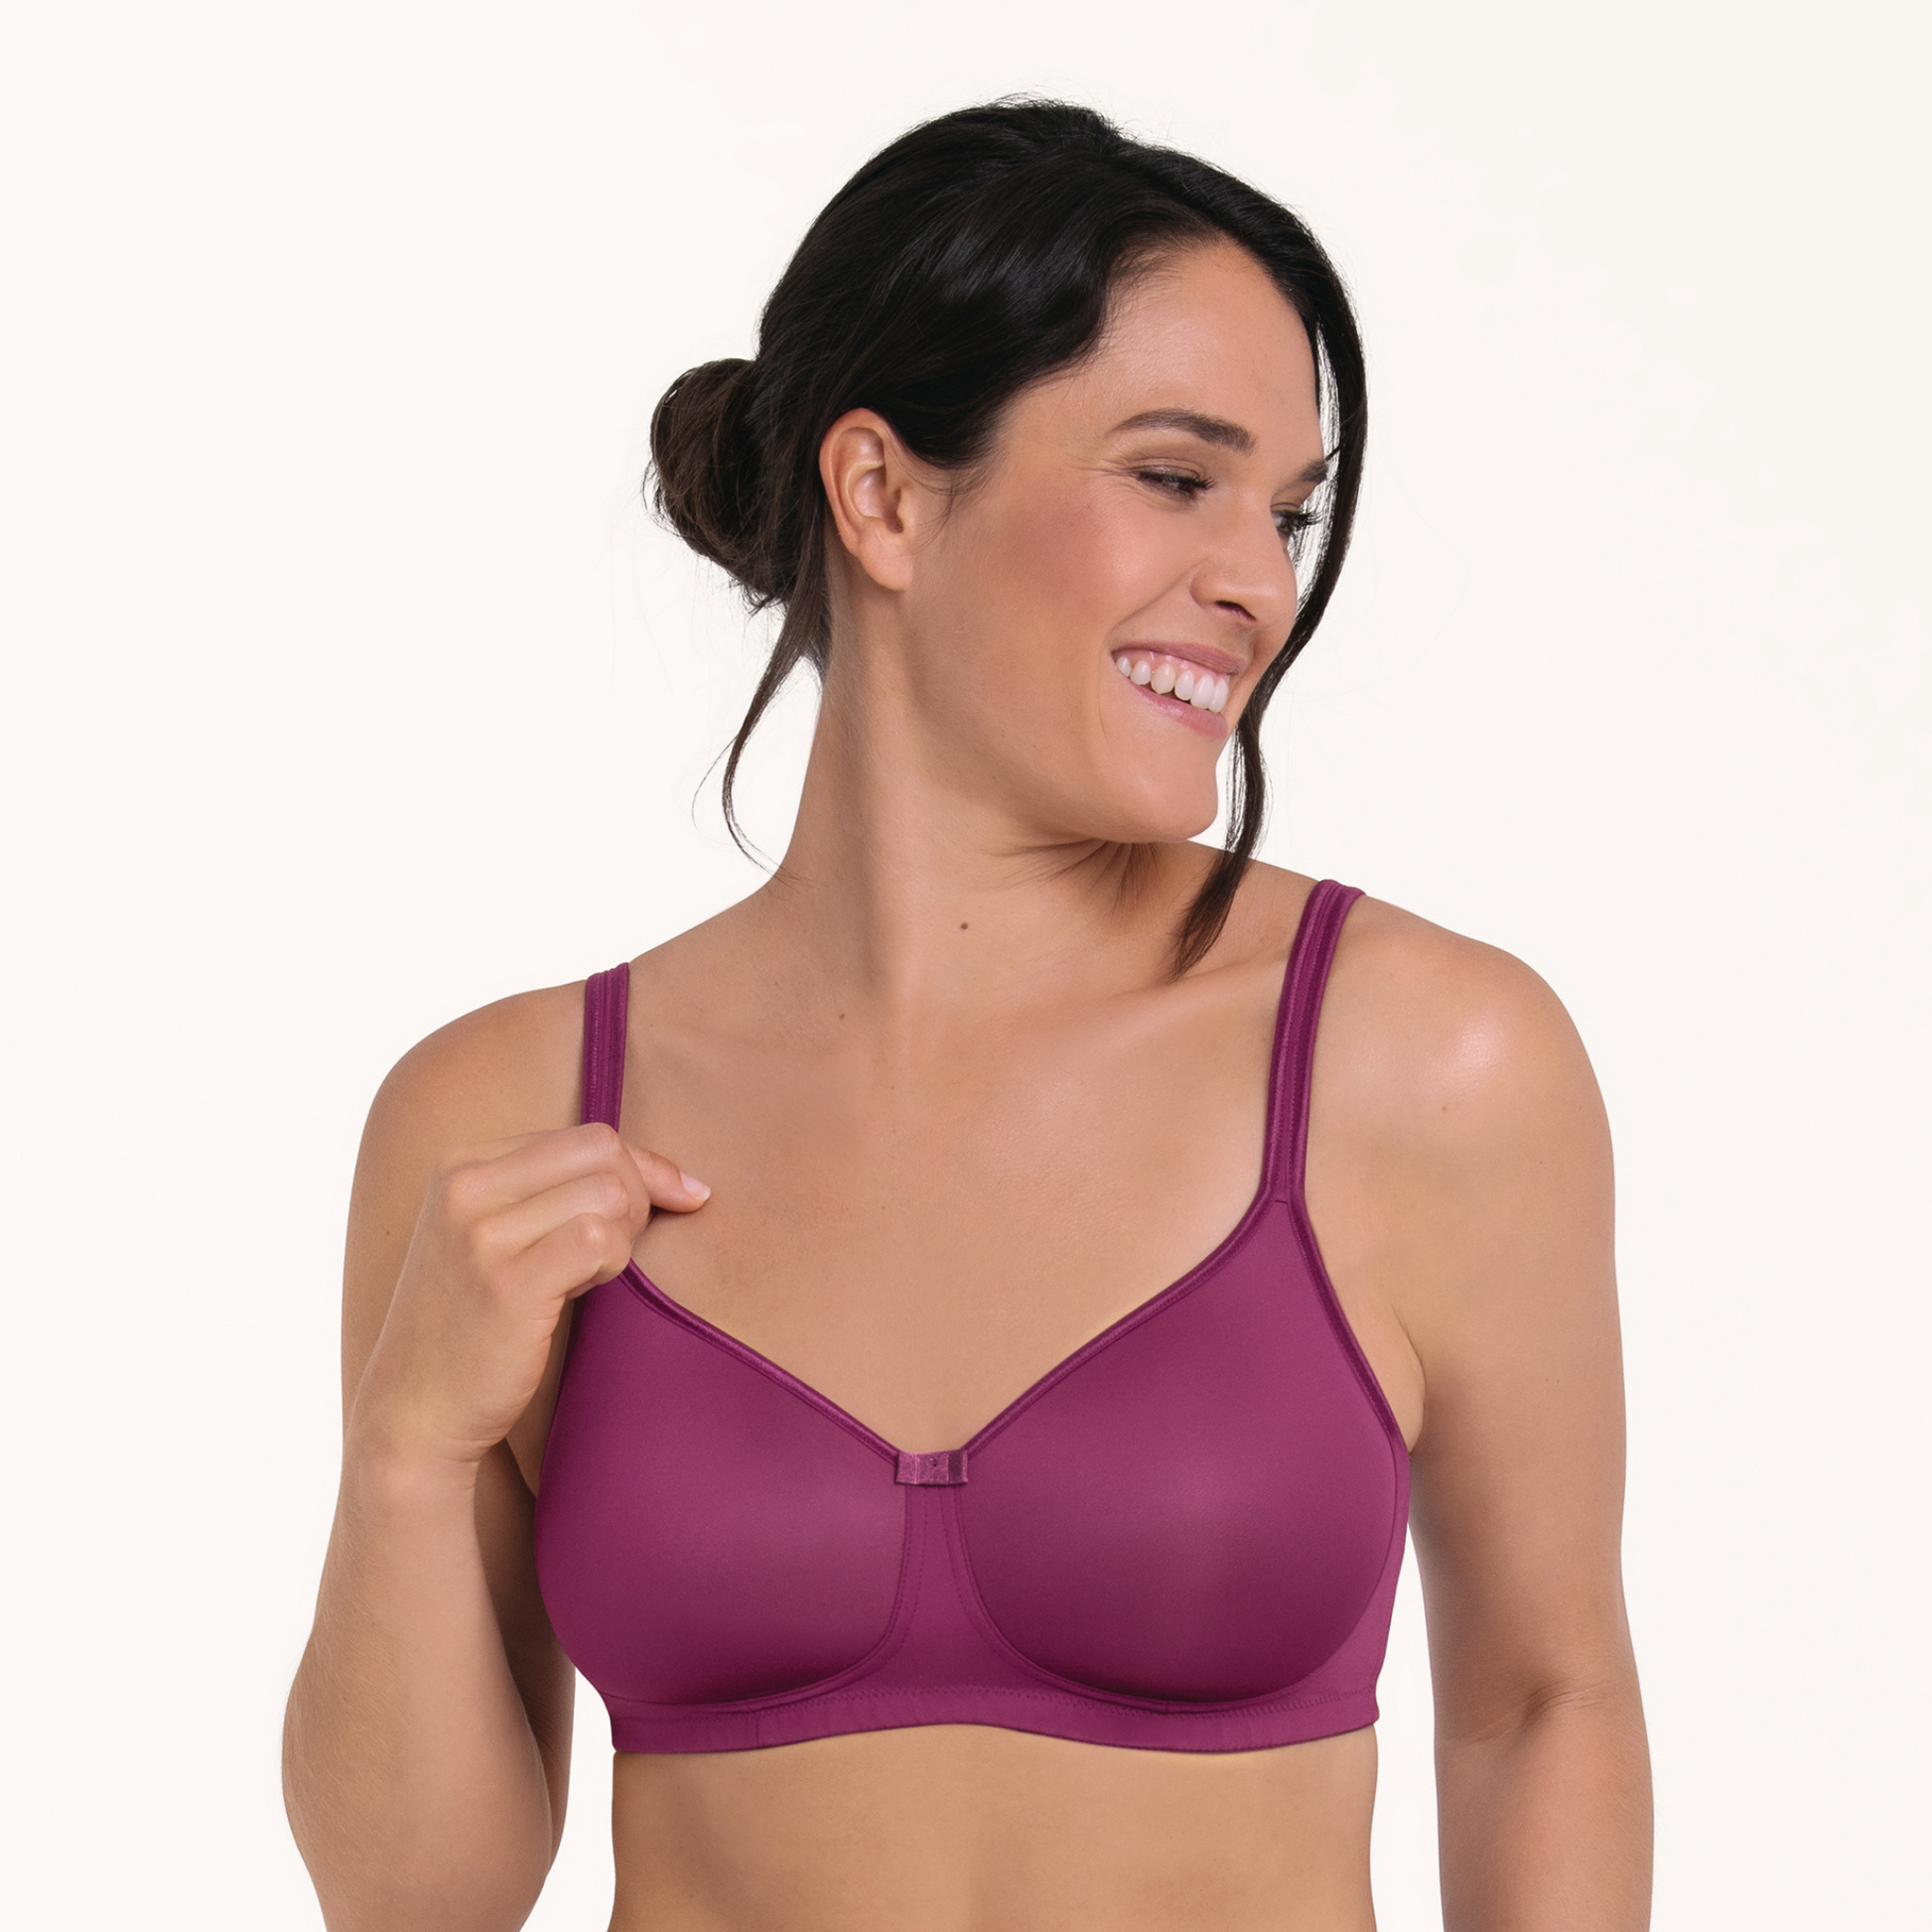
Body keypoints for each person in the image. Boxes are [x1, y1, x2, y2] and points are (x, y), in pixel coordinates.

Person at [282, 100, 1651, 1932]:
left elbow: (1540, 1707)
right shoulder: (502, 1114)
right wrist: (405, 1451)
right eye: (1175, 477)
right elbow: (415, 1900)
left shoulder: (1419, 1060)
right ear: (882, 495)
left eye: (1286, 510)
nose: (1259, 581)